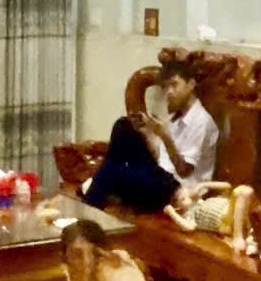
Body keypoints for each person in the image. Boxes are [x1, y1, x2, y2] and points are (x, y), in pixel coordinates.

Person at [85, 52, 220, 214]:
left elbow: (184, 170)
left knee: (112, 169)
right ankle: (97, 188)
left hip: (178, 190)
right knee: (124, 126)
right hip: (161, 176)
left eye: (174, 85)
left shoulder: (201, 122)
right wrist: (148, 132)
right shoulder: (178, 115)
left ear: (191, 84)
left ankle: (91, 201)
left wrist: (164, 135)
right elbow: (163, 159)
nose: (169, 92)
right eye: (166, 87)